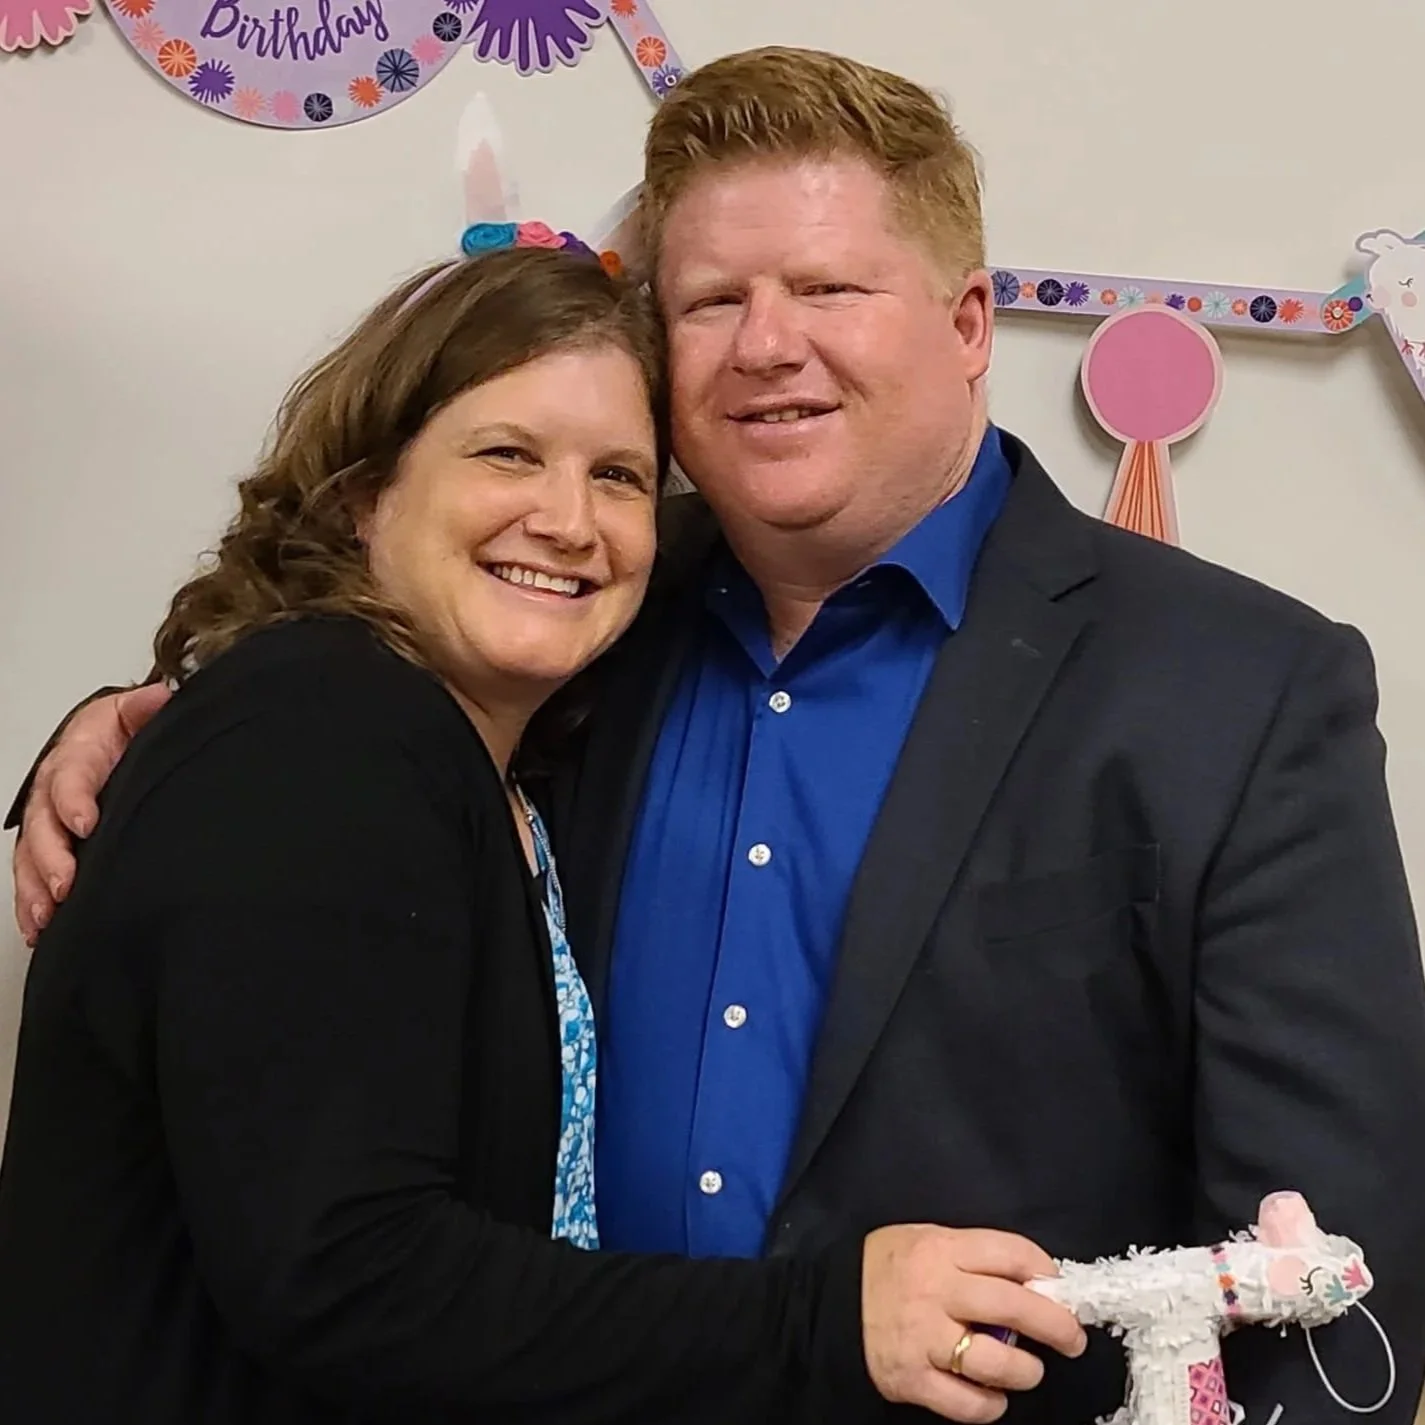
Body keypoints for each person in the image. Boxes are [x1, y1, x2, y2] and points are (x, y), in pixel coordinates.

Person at [12, 44, 1425, 1423]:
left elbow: (1333, 1277)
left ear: (967, 322)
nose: (767, 345)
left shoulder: (1241, 687)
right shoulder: (577, 610)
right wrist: (125, 730)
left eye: (828, 287)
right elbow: (313, 799)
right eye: (710, 301)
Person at [0, 236, 1088, 1425]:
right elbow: (346, 1276)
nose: (568, 522)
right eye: (507, 454)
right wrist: (826, 1322)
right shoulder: (323, 728)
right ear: (369, 496)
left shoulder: (488, 763)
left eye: (619, 477)